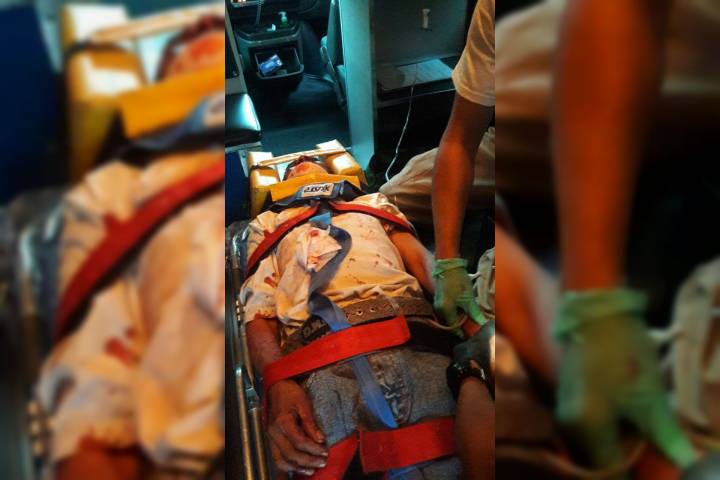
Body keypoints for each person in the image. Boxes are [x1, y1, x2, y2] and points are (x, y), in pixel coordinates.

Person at [241, 158, 493, 478]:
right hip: (321, 364)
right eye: (292, 166)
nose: (301, 161)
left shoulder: (372, 203)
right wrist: (278, 382)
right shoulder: (268, 222)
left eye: (313, 160)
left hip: (418, 340)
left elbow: (419, 260)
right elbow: (258, 310)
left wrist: (474, 328)